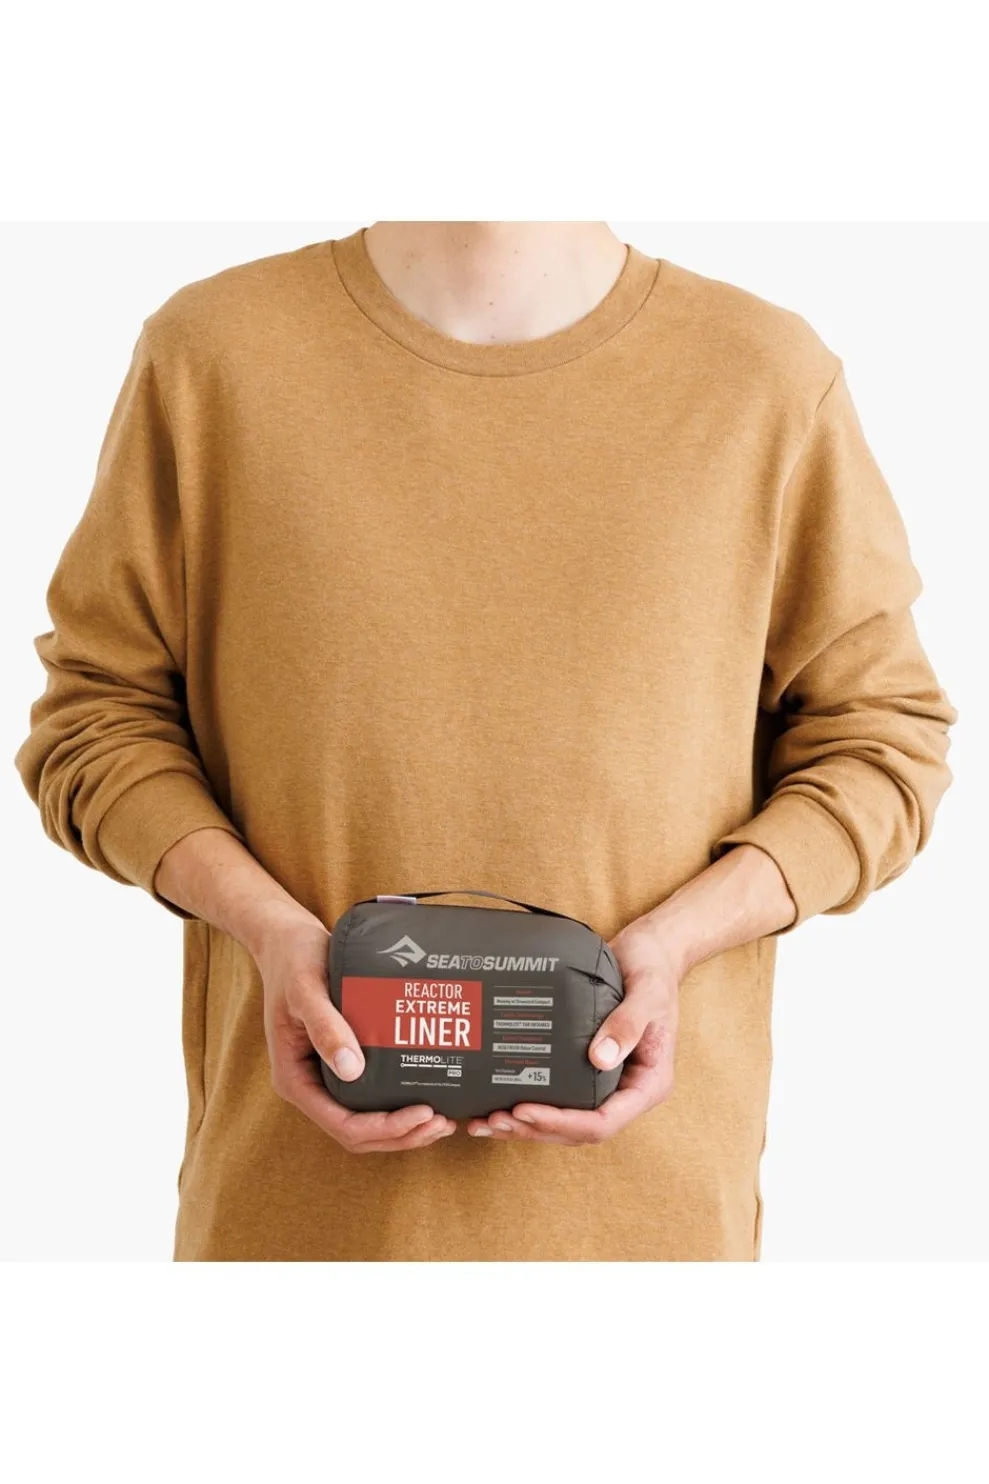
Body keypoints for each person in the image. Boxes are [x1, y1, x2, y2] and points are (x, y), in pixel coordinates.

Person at [15, 222, 955, 1262]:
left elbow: (881, 740)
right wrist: (266, 925)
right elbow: (98, 716)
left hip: (650, 1237)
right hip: (293, 1227)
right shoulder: (212, 355)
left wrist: (678, 939)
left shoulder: (762, 377)